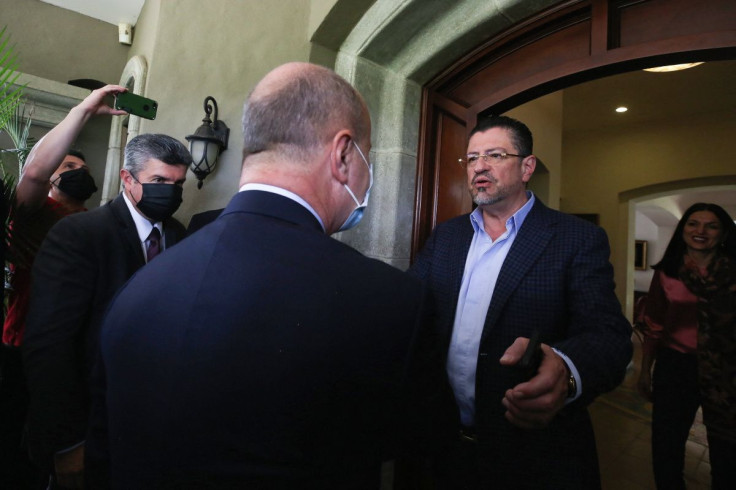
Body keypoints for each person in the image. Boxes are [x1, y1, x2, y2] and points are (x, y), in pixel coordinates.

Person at [85, 62, 445, 490]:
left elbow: (103, 454)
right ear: (344, 155)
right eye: (369, 157)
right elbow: (421, 453)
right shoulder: (394, 302)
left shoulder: (139, 286)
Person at [409, 115, 633, 489]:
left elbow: (609, 335)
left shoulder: (576, 238)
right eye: (472, 158)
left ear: (527, 167)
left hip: (533, 455)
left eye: (495, 155)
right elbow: (412, 308)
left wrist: (566, 367)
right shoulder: (446, 236)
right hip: (445, 447)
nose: (479, 166)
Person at [22, 128, 192, 489]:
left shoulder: (182, 237)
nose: (171, 192)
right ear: (127, 179)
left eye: (178, 184)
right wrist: (68, 442)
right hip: (85, 426)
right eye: (159, 179)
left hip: (147, 429)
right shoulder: (80, 235)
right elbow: (49, 346)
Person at [0, 85, 126, 489]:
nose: (78, 172)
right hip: (23, 346)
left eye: (83, 168)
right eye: (68, 166)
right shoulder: (36, 211)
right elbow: (35, 171)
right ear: (54, 178)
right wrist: (85, 110)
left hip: (75, 351)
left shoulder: (98, 224)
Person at [637, 202, 736, 490]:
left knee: (727, 448)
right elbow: (654, 325)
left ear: (723, 233)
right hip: (676, 365)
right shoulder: (668, 273)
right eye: (693, 224)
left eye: (711, 225)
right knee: (667, 443)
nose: (701, 231)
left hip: (727, 370)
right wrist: (646, 371)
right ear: (683, 230)